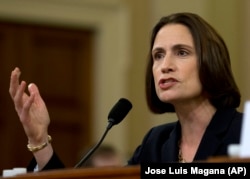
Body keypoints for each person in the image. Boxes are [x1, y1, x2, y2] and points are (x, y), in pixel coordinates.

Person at [9, 12, 242, 171]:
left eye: (181, 52)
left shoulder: (243, 133)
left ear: (211, 62)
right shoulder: (156, 142)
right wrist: (39, 139)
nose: (165, 65)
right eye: (158, 55)